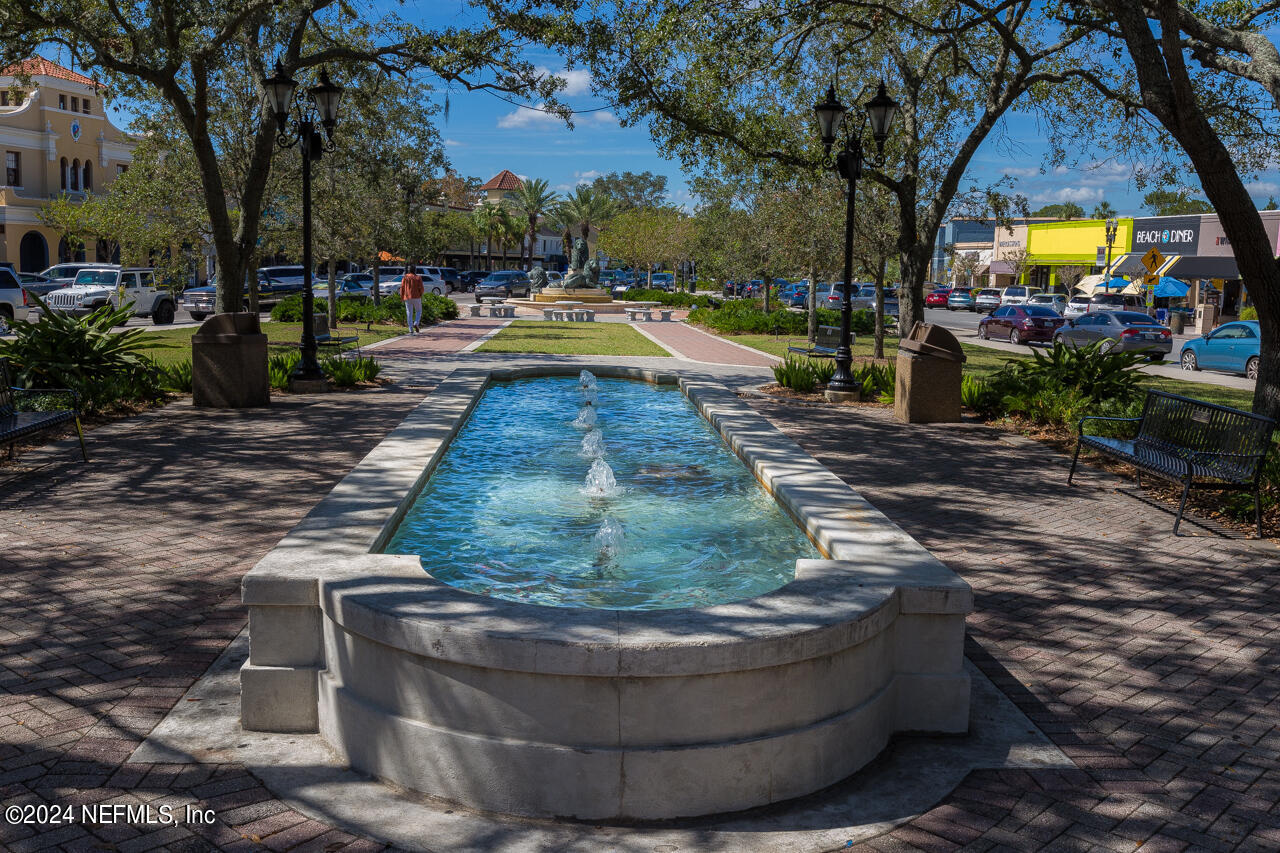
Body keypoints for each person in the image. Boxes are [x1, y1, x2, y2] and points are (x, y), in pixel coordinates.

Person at [400, 262, 424, 333]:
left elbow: (402, 288)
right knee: (419, 311)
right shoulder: (418, 277)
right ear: (415, 270)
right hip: (416, 296)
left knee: (409, 312)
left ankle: (410, 329)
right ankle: (416, 323)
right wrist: (420, 294)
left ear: (408, 270)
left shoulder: (405, 277)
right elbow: (421, 288)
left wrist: (402, 297)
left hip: (407, 297)